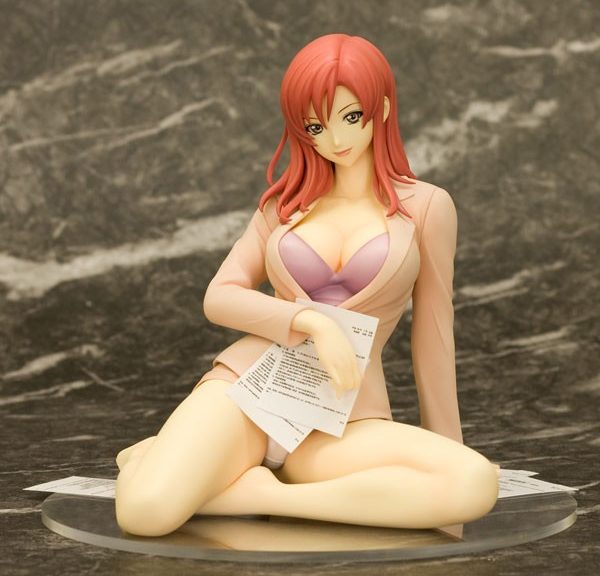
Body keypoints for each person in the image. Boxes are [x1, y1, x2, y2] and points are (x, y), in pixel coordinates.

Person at [114, 34, 499, 537]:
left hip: (344, 416)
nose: (335, 138)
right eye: (316, 126)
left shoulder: (426, 207)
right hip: (251, 390)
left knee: (473, 482)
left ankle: (264, 493)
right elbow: (219, 296)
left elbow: (433, 337)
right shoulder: (284, 207)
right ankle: (162, 467)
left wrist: (447, 451)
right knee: (143, 514)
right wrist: (310, 320)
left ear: (382, 108)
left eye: (351, 117)